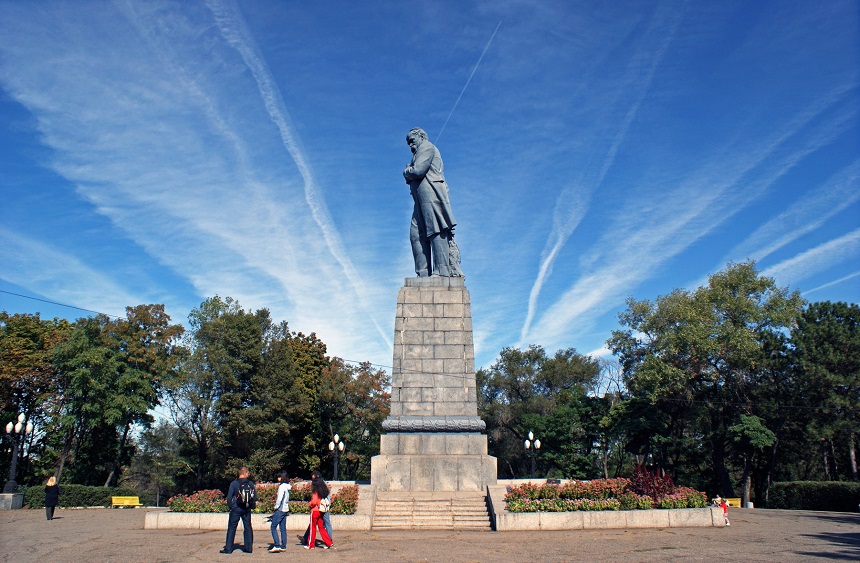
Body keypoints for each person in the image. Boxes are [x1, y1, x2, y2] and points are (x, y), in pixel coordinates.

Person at [403, 127, 463, 278]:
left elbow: (418, 170)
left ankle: (441, 271)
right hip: (420, 198)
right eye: (408, 143)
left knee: (435, 229)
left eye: (412, 140)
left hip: (431, 194)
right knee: (416, 234)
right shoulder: (418, 152)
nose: (410, 145)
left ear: (421, 137)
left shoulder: (427, 147)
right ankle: (423, 273)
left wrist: (407, 171)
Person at [221, 467, 256, 554]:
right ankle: (248, 548)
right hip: (246, 508)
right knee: (247, 527)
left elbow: (229, 497)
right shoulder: (250, 483)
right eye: (247, 473)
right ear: (245, 473)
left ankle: (228, 548)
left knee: (232, 528)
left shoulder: (234, 483)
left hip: (236, 508)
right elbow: (254, 497)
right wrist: (252, 506)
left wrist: (231, 507)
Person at [301, 471, 333, 547]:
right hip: (322, 508)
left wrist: (309, 504)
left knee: (313, 527)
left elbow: (314, 501)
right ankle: (329, 541)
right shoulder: (323, 487)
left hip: (316, 509)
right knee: (321, 527)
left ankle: (310, 544)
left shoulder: (316, 490)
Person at [268, 471, 291, 553]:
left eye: (279, 477)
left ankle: (277, 545)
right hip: (285, 509)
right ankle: (283, 546)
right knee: (283, 528)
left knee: (273, 527)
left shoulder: (281, 487)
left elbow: (279, 498)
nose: (278, 478)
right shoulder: (288, 487)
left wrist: (276, 506)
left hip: (280, 509)